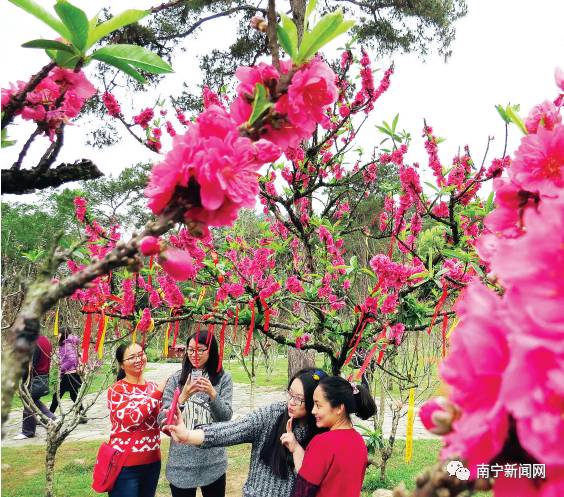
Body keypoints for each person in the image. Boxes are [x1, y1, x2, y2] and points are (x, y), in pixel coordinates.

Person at [164, 368, 328, 497]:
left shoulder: (323, 434)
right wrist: (188, 435)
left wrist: (297, 448)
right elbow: (232, 429)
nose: (291, 402)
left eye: (299, 399)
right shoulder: (272, 415)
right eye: (290, 394)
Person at [157, 330, 233, 497]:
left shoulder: (223, 379)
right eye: (190, 350)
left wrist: (213, 395)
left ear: (211, 350)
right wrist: (183, 397)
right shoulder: (176, 380)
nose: (194, 354)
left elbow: (226, 418)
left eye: (200, 349)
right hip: (181, 464)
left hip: (214, 462)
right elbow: (163, 419)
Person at [287, 376, 377, 497]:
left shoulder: (322, 443)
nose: (313, 411)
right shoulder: (359, 441)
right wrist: (296, 448)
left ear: (339, 408)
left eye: (318, 405)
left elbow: (303, 491)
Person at [107, 343, 165, 497]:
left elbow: (163, 421)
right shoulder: (116, 390)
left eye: (141, 354)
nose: (138, 359)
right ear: (121, 365)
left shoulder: (153, 387)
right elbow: (133, 419)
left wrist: (182, 397)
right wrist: (158, 392)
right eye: (132, 357)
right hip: (125, 465)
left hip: (152, 462)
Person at [14, 334, 56, 440]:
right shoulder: (45, 339)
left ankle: (28, 431)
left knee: (28, 401)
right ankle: (51, 418)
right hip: (43, 375)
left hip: (35, 377)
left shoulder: (34, 342)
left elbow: (30, 364)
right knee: (33, 400)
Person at [49, 327, 87, 423]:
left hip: (68, 375)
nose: (57, 336)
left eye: (59, 333)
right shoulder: (68, 344)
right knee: (74, 396)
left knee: (57, 396)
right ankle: (82, 415)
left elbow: (72, 359)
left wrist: (61, 368)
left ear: (63, 334)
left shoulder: (66, 345)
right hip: (71, 373)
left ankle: (48, 416)